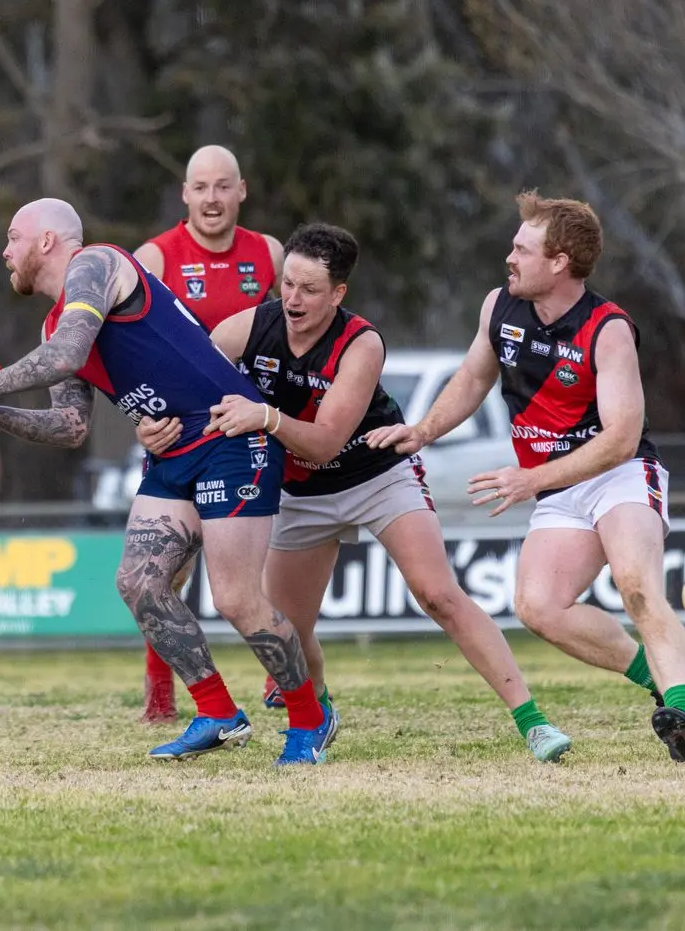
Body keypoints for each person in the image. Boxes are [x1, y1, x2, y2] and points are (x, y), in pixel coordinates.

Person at [140, 223, 572, 761]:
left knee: (439, 595)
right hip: (299, 493)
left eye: (310, 290)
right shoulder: (246, 328)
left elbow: (323, 443)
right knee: (287, 631)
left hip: (376, 477)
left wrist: (266, 416)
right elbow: (180, 385)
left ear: (338, 293)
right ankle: (317, 713)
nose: (293, 299)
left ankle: (533, 722)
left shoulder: (361, 343)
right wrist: (151, 422)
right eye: (288, 285)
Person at [0, 197, 336, 766]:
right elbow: (71, 427)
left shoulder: (95, 264)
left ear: (47, 241)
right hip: (173, 451)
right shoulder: (56, 321)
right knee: (139, 582)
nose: (5, 252)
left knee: (236, 599)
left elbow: (69, 351)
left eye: (13, 238)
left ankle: (310, 718)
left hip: (230, 433)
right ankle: (218, 712)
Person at [368, 191, 685, 761]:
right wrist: (422, 431)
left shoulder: (607, 328)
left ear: (559, 260)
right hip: (558, 487)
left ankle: (682, 708)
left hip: (619, 473)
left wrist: (532, 479)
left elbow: (618, 438)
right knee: (539, 607)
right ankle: (667, 685)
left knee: (636, 586)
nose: (508, 258)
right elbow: (471, 378)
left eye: (522, 248)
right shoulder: (499, 307)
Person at [132, 144, 286, 721]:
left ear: (242, 190)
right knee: (168, 570)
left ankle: (283, 681)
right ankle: (161, 697)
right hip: (180, 434)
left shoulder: (269, 254)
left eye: (224, 186)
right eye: (201, 187)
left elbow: (293, 333)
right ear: (185, 194)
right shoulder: (156, 256)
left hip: (249, 430)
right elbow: (130, 350)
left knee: (262, 565)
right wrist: (142, 420)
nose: (213, 198)